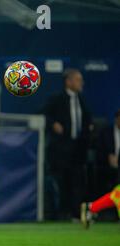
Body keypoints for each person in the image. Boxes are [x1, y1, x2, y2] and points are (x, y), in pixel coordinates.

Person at [43, 68, 92, 220]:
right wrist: (53, 124)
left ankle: (77, 213)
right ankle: (62, 214)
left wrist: (89, 127)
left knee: (77, 182)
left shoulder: (82, 99)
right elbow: (44, 115)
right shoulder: (57, 99)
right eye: (78, 80)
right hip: (61, 149)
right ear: (68, 81)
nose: (81, 83)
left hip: (78, 148)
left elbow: (87, 118)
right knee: (62, 182)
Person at [97, 109, 120, 193]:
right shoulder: (105, 133)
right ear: (116, 119)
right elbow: (99, 152)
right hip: (107, 167)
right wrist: (108, 157)